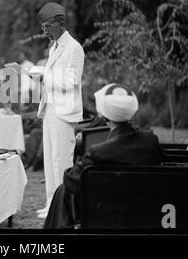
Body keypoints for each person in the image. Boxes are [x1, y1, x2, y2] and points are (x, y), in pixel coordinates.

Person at [43, 83, 164, 229]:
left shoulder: (98, 152)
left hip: (105, 215)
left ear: (104, 116)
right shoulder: (151, 142)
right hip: (144, 210)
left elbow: (71, 180)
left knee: (63, 190)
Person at [31, 2, 85, 219]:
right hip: (51, 109)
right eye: (43, 27)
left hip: (64, 111)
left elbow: (72, 81)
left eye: (47, 27)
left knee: (62, 159)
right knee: (50, 160)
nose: (45, 32)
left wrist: (43, 75)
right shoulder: (53, 47)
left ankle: (65, 209)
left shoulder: (74, 48)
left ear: (60, 23)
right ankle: (52, 204)